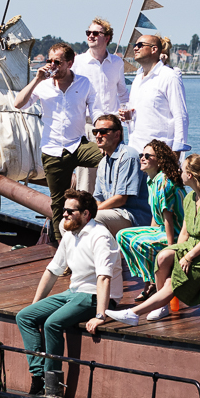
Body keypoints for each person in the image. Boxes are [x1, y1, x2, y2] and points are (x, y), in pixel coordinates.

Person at [88, 153, 200, 332]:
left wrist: (188, 256)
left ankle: (134, 312)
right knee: (162, 257)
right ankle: (161, 304)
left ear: (190, 175)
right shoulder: (190, 198)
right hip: (191, 245)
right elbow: (184, 232)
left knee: (173, 279)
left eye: (182, 170)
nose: (178, 172)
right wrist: (177, 251)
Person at [14, 189, 122, 398]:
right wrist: (35, 305)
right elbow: (53, 270)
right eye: (64, 211)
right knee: (24, 316)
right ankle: (38, 376)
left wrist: (101, 315)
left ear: (86, 214)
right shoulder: (70, 235)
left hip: (94, 296)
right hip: (73, 292)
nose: (64, 215)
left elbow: (104, 278)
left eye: (70, 211)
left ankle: (52, 385)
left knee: (52, 324)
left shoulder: (100, 236)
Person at [13, 42, 100, 244]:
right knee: (58, 202)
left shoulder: (84, 83)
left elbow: (96, 112)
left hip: (78, 145)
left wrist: (103, 132)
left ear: (69, 63)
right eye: (49, 61)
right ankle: (62, 245)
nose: (52, 65)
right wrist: (36, 79)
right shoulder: (42, 85)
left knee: (107, 157)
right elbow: (18, 104)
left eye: (57, 62)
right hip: (52, 149)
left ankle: (104, 209)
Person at [114, 139, 186, 300]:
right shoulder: (150, 180)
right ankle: (149, 279)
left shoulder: (163, 181)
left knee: (139, 243)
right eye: (142, 154)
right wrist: (150, 231)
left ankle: (151, 283)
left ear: (160, 160)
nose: (142, 158)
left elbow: (168, 217)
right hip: (161, 228)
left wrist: (170, 248)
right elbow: (156, 213)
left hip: (176, 233)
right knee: (122, 236)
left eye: (148, 155)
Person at [71, 17, 129, 192]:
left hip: (113, 127)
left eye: (96, 33)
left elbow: (123, 93)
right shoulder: (77, 63)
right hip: (87, 126)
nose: (91, 36)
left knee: (116, 174)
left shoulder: (117, 63)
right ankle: (84, 216)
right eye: (88, 33)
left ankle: (111, 214)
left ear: (107, 38)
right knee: (86, 180)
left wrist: (127, 113)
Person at [119, 33, 189, 154]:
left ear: (154, 49)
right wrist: (128, 116)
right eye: (135, 45)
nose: (135, 48)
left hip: (160, 153)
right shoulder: (137, 78)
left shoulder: (169, 76)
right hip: (135, 149)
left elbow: (180, 115)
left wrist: (176, 152)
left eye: (140, 45)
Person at [89, 113, 149, 236]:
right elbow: (98, 198)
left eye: (103, 132)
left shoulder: (128, 156)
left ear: (117, 134)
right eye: (96, 132)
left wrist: (90, 213)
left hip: (133, 217)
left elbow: (121, 198)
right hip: (113, 213)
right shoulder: (103, 163)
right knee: (66, 223)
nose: (98, 136)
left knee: (93, 219)